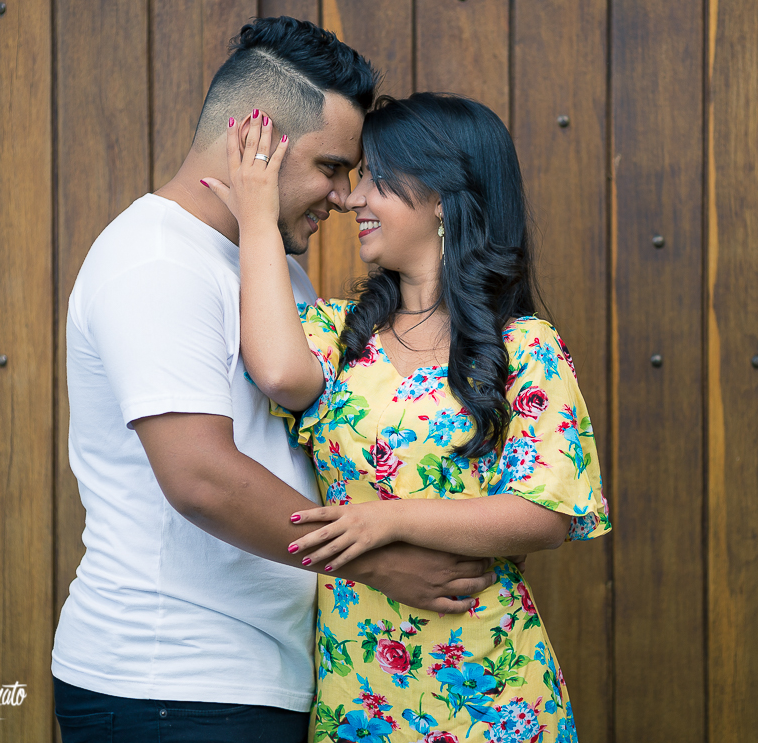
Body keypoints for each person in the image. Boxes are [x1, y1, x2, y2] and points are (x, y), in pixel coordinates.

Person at [51, 18, 499, 743]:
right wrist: (381, 563)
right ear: (250, 137)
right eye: (331, 166)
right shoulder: (156, 261)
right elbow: (200, 475)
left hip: (265, 679)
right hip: (173, 687)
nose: (345, 195)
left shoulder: (268, 267)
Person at [203, 93, 610, 742]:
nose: (353, 198)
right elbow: (278, 372)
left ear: (445, 196)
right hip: (358, 688)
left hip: (492, 694)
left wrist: (385, 519)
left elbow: (546, 512)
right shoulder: (336, 335)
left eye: (376, 178)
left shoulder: (525, 347)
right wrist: (257, 216)